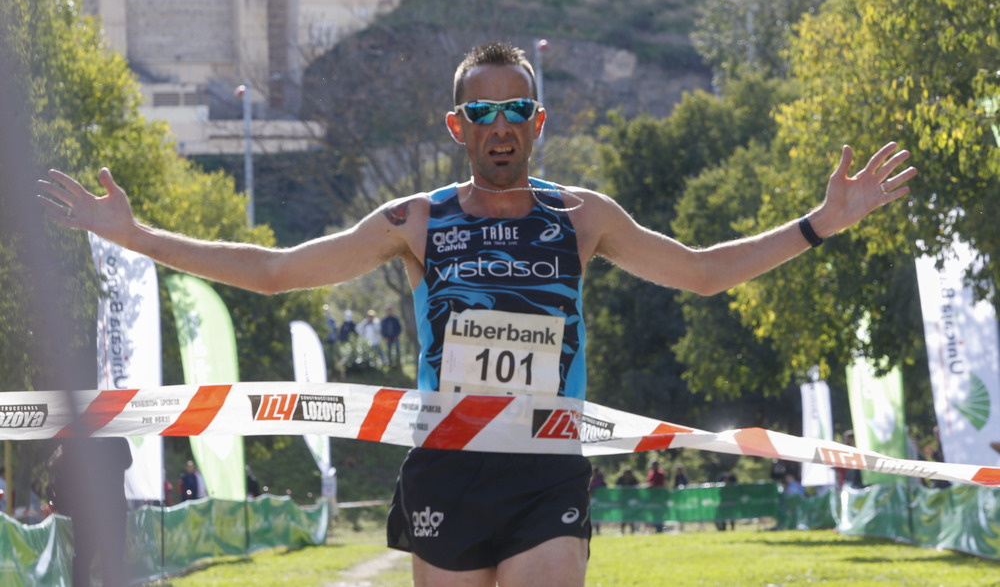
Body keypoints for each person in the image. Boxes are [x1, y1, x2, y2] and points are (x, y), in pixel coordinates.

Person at [38, 40, 915, 587]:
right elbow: (274, 272)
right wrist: (137, 233)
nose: (503, 126)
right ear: (459, 124)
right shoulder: (418, 219)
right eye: (484, 112)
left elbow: (705, 273)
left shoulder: (584, 217)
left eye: (518, 110)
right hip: (448, 470)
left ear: (539, 120)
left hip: (547, 471)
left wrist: (820, 223)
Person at [49, 438, 133, 587]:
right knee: (108, 558)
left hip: (88, 510)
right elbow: (127, 461)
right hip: (107, 509)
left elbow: (63, 467)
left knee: (84, 557)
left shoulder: (76, 441)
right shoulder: (117, 439)